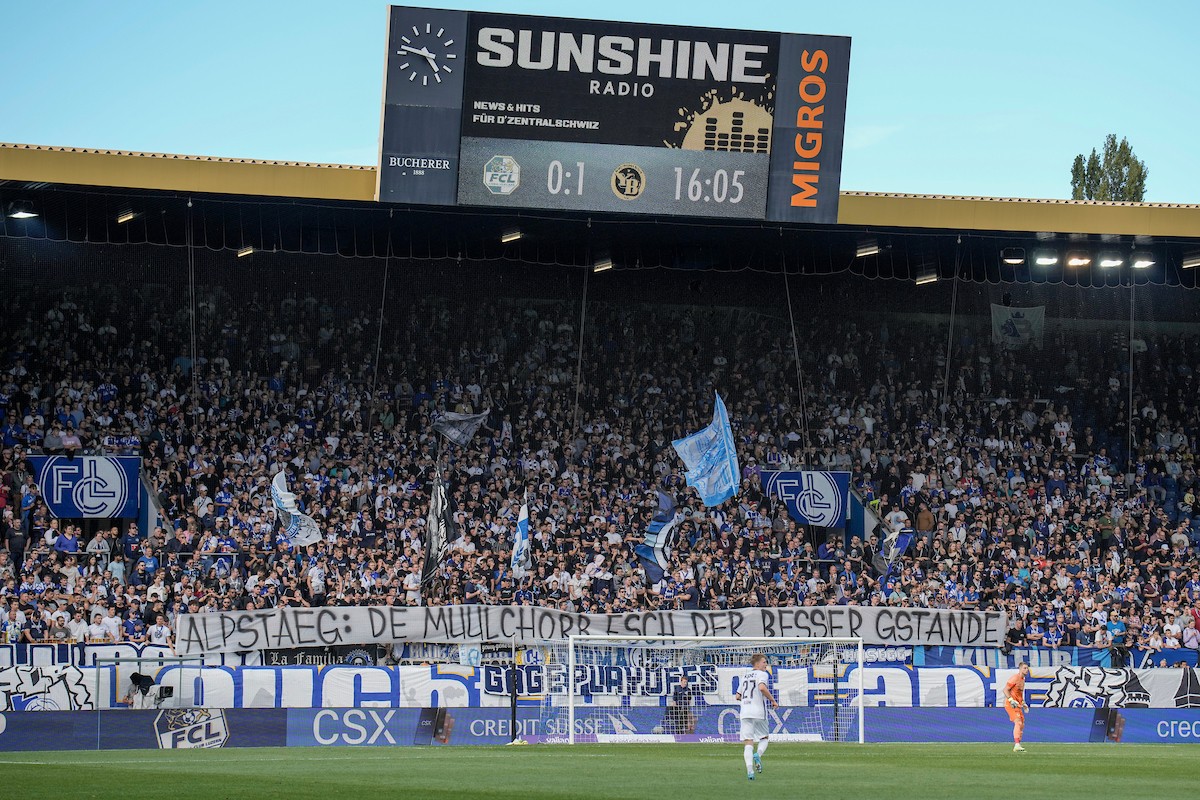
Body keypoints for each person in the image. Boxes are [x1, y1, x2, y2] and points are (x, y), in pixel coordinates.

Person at [735, 653, 778, 780]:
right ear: (757, 664)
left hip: (745, 712)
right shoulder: (762, 674)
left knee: (748, 742)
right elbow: (762, 687)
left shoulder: (744, 676)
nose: (766, 665)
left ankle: (750, 771)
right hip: (758, 711)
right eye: (764, 662)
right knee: (764, 737)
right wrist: (772, 700)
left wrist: (747, 700)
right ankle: (758, 754)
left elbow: (737, 696)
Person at [1004, 661, 1030, 752]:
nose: (1027, 670)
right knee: (1018, 722)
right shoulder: (1015, 678)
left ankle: (1018, 744)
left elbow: (1019, 694)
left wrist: (1023, 703)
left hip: (1017, 704)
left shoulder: (1022, 680)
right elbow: (1005, 690)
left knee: (1022, 724)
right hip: (1011, 704)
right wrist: (1011, 700)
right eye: (1024, 668)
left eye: (1027, 668)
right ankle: (1017, 744)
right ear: (1020, 669)